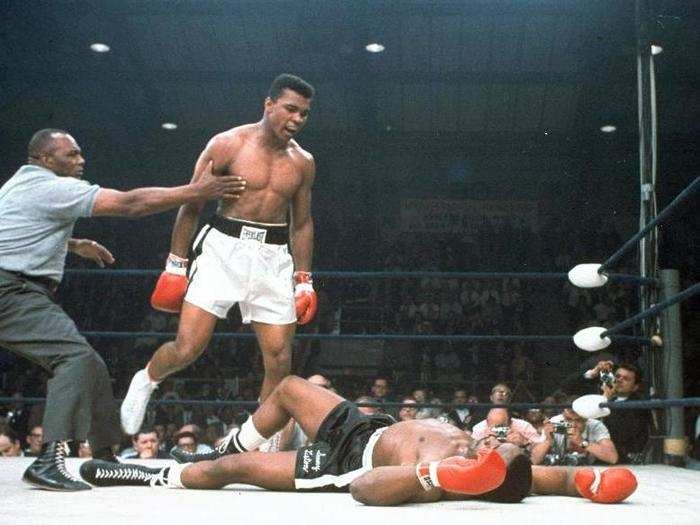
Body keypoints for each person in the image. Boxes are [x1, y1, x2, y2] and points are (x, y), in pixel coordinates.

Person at [0, 128, 244, 491]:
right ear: (45, 159)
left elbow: (17, 227)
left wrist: (72, 243)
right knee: (75, 360)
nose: (81, 160)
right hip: (13, 291)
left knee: (93, 365)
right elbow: (130, 204)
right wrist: (196, 192)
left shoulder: (19, 184)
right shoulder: (55, 188)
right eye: (72, 154)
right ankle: (48, 458)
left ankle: (104, 457)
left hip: (16, 287)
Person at [80, 376, 638, 506]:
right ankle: (227, 444)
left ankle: (140, 471)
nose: (494, 441)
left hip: (349, 458)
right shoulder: (501, 461)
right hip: (370, 426)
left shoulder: (460, 476)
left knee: (232, 473)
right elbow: (567, 478)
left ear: (487, 474)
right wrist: (593, 482)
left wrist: (440, 477)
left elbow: (365, 490)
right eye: (500, 444)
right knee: (292, 387)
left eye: (499, 450)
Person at [121, 73, 318, 436]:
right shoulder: (228, 144)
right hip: (223, 250)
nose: (297, 120)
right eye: (291, 109)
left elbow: (302, 223)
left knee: (279, 358)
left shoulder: (303, 161)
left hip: (274, 257)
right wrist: (176, 264)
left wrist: (303, 279)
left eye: (304, 114)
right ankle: (146, 380)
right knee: (188, 347)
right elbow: (191, 205)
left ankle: (258, 439)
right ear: (269, 104)